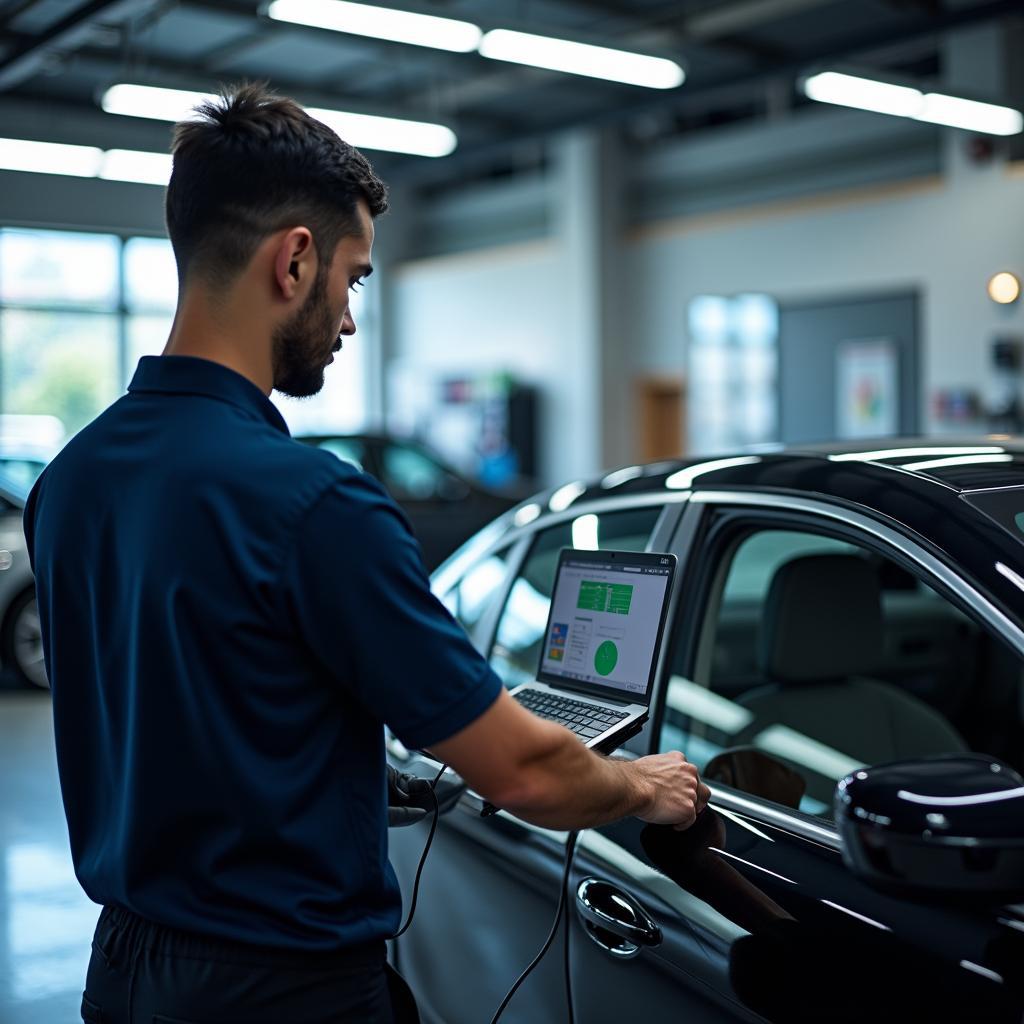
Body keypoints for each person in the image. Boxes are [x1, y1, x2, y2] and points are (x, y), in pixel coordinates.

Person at [24, 83, 710, 1024]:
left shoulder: (70, 482)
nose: (349, 318)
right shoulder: (317, 504)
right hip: (283, 992)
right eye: (353, 278)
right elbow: (524, 772)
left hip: (126, 975)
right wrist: (641, 784)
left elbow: (178, 716)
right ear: (295, 262)